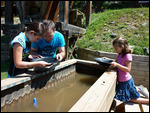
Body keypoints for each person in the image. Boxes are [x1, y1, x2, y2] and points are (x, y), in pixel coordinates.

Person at [110, 37, 149, 104]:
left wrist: (116, 65)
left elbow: (128, 69)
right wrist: (107, 59)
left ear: (122, 47)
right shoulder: (119, 55)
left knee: (130, 99)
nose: (115, 50)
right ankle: (137, 89)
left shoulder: (127, 56)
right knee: (125, 96)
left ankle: (147, 101)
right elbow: (115, 62)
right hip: (121, 81)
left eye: (116, 48)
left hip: (126, 81)